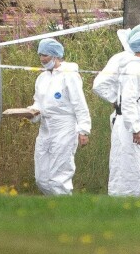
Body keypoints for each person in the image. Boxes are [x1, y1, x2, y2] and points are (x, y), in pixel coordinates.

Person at [26, 38, 91, 195]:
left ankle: (65, 213)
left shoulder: (69, 75)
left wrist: (83, 130)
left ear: (56, 55)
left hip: (64, 129)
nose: (42, 59)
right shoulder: (41, 78)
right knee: (41, 179)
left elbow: (79, 104)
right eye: (40, 55)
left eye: (45, 55)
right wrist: (31, 112)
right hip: (45, 130)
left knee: (58, 178)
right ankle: (53, 210)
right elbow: (38, 103)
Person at [106, 25, 140, 197]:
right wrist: (135, 128)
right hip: (133, 129)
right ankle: (126, 206)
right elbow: (128, 102)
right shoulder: (134, 69)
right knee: (130, 169)